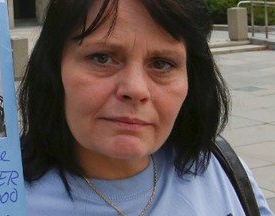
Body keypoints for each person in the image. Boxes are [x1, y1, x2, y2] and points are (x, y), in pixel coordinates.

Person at [19, 0, 274, 215]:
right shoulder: (6, 198)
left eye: (162, 64)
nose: (135, 89)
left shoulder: (222, 171)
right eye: (102, 58)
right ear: (54, 69)